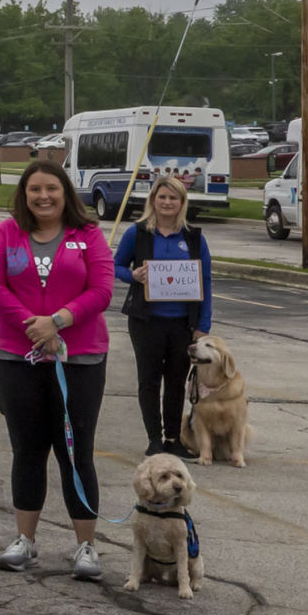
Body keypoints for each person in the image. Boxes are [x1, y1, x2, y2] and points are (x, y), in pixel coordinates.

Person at [0, 160, 115, 581]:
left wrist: (58, 321)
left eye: (51, 189)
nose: (43, 196)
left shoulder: (87, 235)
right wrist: (34, 327)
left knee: (76, 452)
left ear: (65, 193)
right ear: (24, 194)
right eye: (35, 189)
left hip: (79, 359)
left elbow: (102, 290)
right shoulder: (7, 233)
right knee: (28, 450)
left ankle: (86, 546)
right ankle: (25, 540)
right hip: (16, 358)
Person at [113, 175, 212, 459]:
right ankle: (154, 438)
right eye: (162, 197)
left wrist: (203, 325)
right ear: (153, 200)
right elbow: (115, 266)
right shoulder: (137, 233)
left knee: (177, 381)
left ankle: (173, 438)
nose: (167, 203)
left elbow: (205, 280)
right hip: (146, 321)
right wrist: (132, 275)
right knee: (149, 380)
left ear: (182, 202)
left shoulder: (194, 238)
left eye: (173, 198)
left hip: (182, 322)